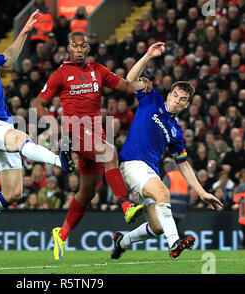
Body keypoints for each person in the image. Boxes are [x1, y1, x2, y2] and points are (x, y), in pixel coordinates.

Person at [0, 13, 75, 259]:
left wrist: (24, 32)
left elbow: (8, 58)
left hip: (0, 124)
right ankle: (59, 161)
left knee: (14, 193)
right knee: (19, 138)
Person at [34, 31, 151, 260]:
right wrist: (52, 125)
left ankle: (62, 233)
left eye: (83, 46)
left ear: (88, 48)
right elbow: (38, 103)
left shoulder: (98, 70)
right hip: (74, 131)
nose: (79, 49)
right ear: (68, 48)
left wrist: (142, 82)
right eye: (74, 46)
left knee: (87, 192)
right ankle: (126, 205)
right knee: (109, 153)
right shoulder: (60, 74)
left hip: (95, 133)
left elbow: (127, 87)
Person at [111, 42, 224, 260]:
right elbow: (129, 80)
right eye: (175, 95)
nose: (177, 101)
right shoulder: (151, 99)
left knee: (157, 226)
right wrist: (147, 56)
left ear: (186, 104)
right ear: (169, 94)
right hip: (132, 163)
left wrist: (202, 192)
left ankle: (122, 240)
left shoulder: (176, 131)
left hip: (150, 172)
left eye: (183, 100)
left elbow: (184, 164)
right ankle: (175, 242)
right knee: (164, 193)